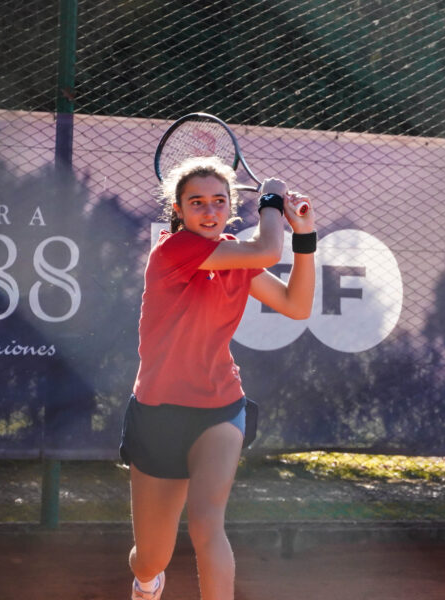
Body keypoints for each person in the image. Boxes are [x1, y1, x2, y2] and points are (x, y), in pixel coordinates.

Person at [119, 155, 316, 600]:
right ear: (179, 209)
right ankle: (147, 583)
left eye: (218, 202)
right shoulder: (173, 251)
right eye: (197, 203)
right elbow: (266, 248)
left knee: (208, 526)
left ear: (230, 207)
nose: (209, 212)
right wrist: (272, 196)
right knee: (151, 555)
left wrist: (305, 236)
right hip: (157, 414)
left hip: (220, 408)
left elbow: (296, 305)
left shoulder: (236, 258)